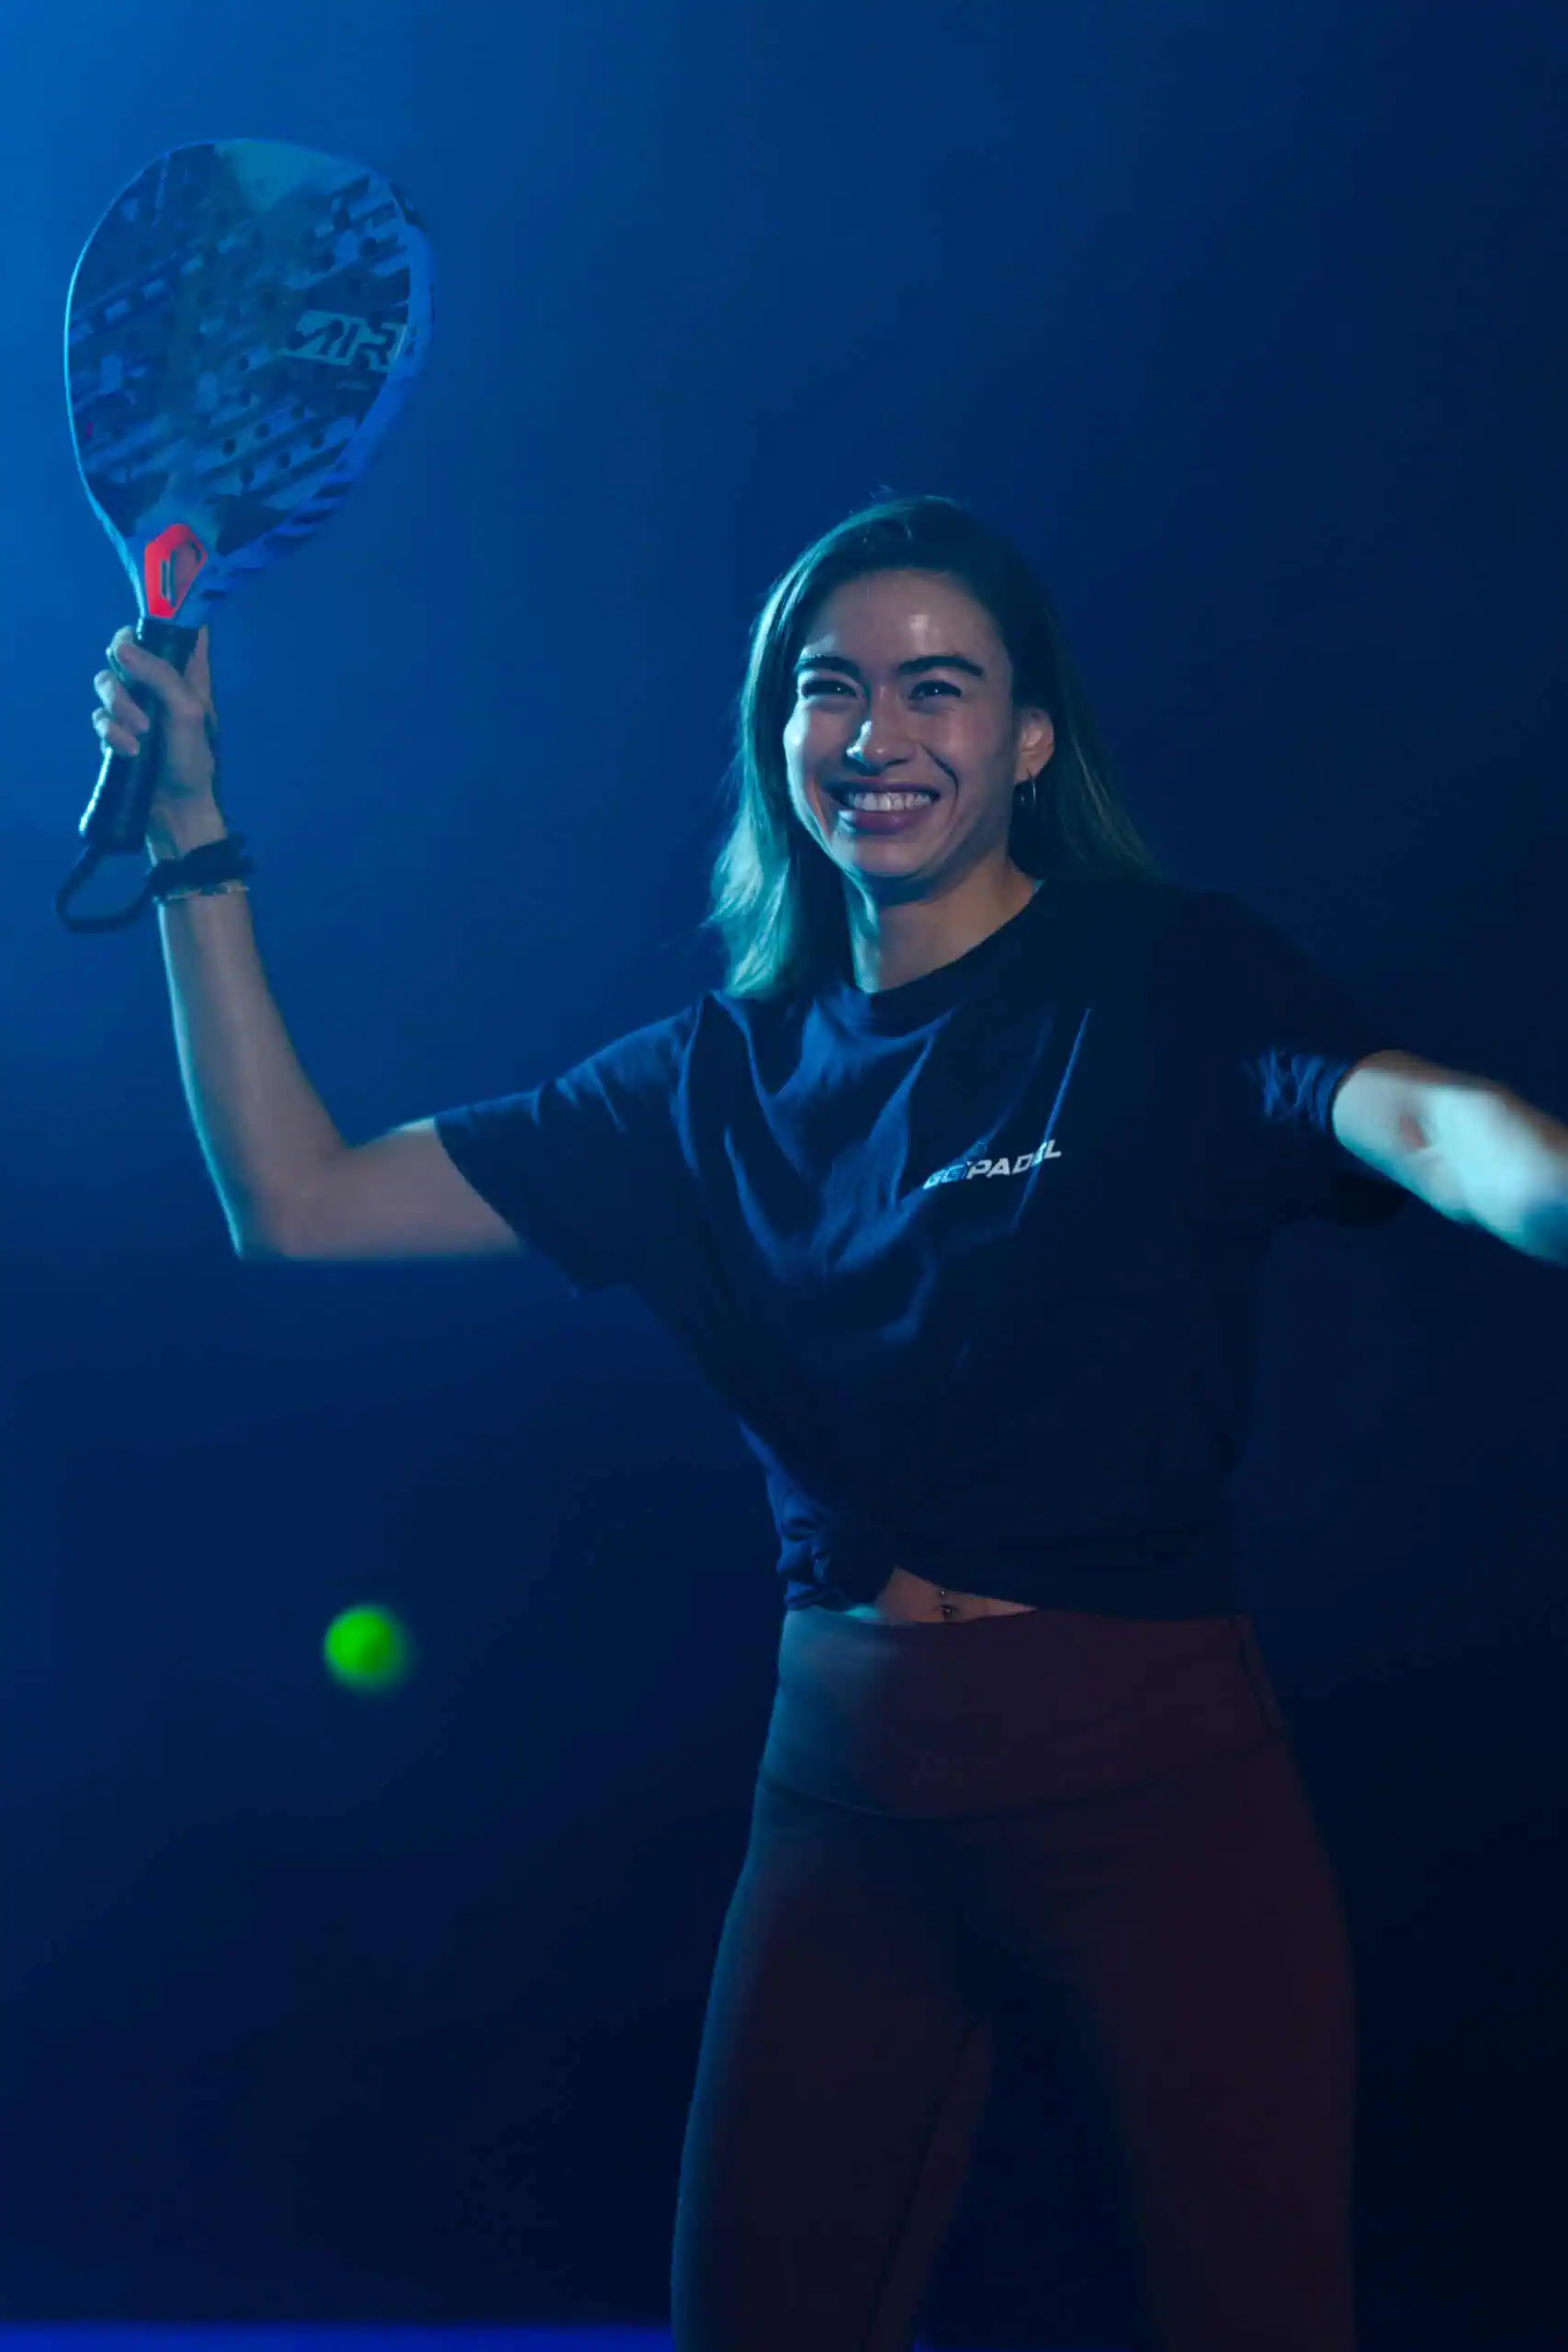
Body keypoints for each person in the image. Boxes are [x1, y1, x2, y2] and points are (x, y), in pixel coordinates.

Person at [93, 494, 1567, 2352]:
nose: (877, 732)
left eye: (937, 686)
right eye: (829, 687)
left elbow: (1423, 1124)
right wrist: (190, 829)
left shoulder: (1162, 981)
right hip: (847, 1814)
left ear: (1028, 739)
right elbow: (295, 1199)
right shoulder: (705, 1083)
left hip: (1153, 1797)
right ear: (775, 733)